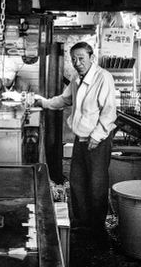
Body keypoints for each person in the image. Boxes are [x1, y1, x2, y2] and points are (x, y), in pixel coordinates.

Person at [34, 42, 117, 235]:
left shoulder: (103, 78)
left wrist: (96, 136)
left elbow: (109, 112)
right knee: (77, 180)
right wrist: (44, 102)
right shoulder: (76, 78)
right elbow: (65, 99)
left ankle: (96, 227)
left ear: (91, 58)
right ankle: (81, 221)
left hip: (98, 139)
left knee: (96, 183)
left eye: (81, 58)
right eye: (74, 59)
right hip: (81, 138)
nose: (77, 62)